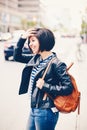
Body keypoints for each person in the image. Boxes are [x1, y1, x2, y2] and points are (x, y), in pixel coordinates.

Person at [14, 28, 73, 130]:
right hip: (34, 108)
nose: (30, 44)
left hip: (46, 111)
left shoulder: (57, 64)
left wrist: (45, 86)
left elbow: (68, 88)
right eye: (29, 42)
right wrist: (22, 38)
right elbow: (17, 56)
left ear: (43, 41)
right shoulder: (36, 58)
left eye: (33, 41)